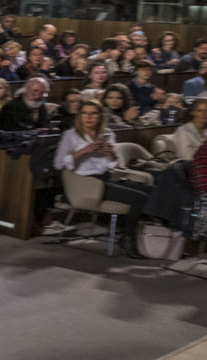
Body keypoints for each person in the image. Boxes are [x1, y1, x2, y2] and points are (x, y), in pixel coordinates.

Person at [55, 101, 152, 260]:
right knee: (140, 197)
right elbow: (58, 163)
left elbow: (111, 164)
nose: (89, 117)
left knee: (150, 190)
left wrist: (111, 154)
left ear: (100, 116)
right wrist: (85, 151)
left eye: (93, 113)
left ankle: (148, 234)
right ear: (79, 116)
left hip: (106, 178)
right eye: (85, 113)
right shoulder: (70, 135)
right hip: (86, 184)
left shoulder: (107, 134)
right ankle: (128, 239)